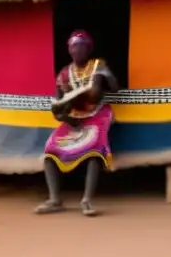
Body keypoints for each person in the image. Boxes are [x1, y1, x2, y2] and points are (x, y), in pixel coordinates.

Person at [36, 31, 118, 217]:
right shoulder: (64, 74)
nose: (77, 50)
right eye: (74, 46)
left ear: (88, 49)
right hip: (75, 118)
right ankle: (55, 199)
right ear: (69, 50)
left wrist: (106, 76)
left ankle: (87, 200)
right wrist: (65, 116)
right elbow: (58, 106)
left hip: (97, 114)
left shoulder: (97, 65)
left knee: (94, 150)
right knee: (50, 151)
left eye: (82, 45)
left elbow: (98, 93)